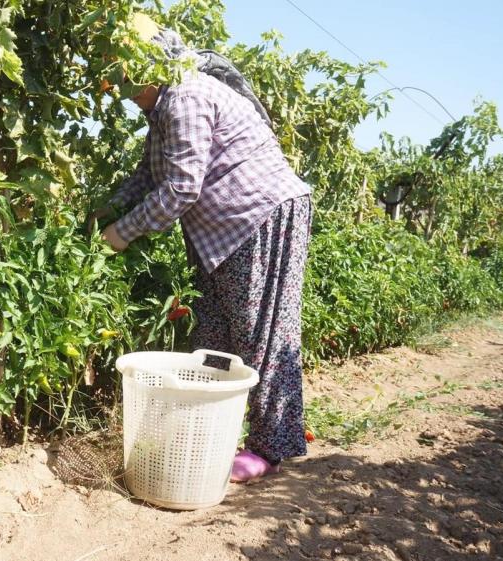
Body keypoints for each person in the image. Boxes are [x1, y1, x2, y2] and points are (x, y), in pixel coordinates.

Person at [97, 14, 313, 483]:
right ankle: (211, 432)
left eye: (122, 76)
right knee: (213, 335)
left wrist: (120, 234)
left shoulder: (186, 97)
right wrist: (99, 213)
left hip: (259, 216)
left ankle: (269, 447)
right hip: (223, 232)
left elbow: (179, 189)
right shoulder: (163, 110)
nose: (119, 89)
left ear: (146, 65)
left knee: (262, 330)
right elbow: (146, 177)